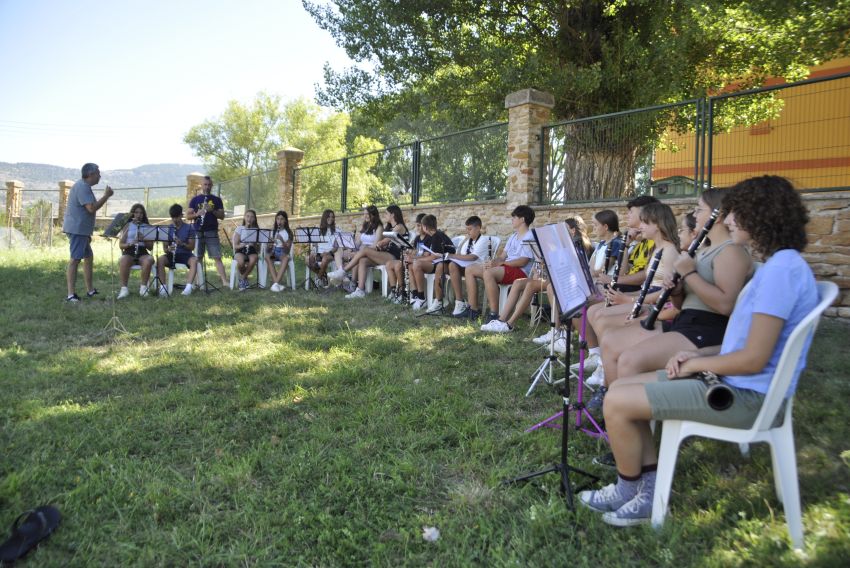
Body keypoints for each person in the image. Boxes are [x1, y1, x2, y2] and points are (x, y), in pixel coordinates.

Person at [579, 175, 818, 527]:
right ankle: (643, 488)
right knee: (619, 388)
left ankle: (631, 489)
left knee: (617, 400)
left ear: (762, 215)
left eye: (737, 212)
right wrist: (700, 357)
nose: (729, 219)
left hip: (746, 396)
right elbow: (746, 344)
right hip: (729, 379)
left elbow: (754, 358)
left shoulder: (782, 272)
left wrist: (696, 365)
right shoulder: (781, 266)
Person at [465, 205, 535, 322]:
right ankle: (473, 310)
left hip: (521, 272)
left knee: (488, 273)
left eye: (514, 217)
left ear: (522, 219)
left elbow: (523, 261)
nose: (512, 220)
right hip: (506, 268)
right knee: (470, 269)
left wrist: (500, 264)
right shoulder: (513, 236)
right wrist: (492, 262)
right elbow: (502, 257)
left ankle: (494, 314)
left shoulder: (529, 236)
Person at [62, 163, 114, 302]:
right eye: (98, 173)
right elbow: (91, 208)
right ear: (90, 174)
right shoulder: (82, 187)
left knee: (88, 257)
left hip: (82, 230)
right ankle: (71, 295)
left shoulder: (84, 186)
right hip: (77, 229)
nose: (100, 175)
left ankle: (90, 290)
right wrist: (106, 196)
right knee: (75, 259)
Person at [442, 216, 491, 316]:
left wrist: (452, 255)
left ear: (478, 228)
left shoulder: (483, 240)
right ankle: (459, 302)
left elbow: (472, 257)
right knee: (451, 265)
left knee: (456, 263)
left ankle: (473, 308)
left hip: (478, 267)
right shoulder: (467, 241)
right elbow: (463, 256)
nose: (468, 232)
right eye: (467, 229)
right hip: (467, 267)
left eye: (470, 229)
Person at [186, 176, 228, 288]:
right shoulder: (195, 200)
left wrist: (212, 210)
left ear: (212, 185)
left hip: (211, 231)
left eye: (209, 185)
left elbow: (222, 216)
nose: (207, 187)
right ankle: (198, 282)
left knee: (217, 257)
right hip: (198, 231)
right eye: (205, 184)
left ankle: (224, 282)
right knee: (198, 257)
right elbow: (188, 216)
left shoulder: (216, 200)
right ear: (201, 185)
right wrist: (197, 214)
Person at [411, 214, 456, 311]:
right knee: (415, 264)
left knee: (417, 263)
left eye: (421, 226)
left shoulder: (436, 236)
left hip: (447, 263)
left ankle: (438, 300)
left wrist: (417, 260)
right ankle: (419, 296)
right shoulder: (435, 235)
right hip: (439, 261)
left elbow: (434, 257)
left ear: (425, 227)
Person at [155, 204, 199, 297]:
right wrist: (168, 249)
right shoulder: (168, 229)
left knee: (194, 260)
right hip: (172, 254)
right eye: (172, 217)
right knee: (160, 260)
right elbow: (165, 249)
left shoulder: (189, 228)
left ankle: (188, 288)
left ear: (181, 215)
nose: (174, 220)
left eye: (176, 217)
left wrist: (181, 243)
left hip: (185, 254)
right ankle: (163, 287)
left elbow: (191, 247)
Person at [117, 203, 155, 299]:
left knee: (149, 260)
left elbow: (150, 247)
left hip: (142, 251)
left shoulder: (147, 227)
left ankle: (143, 288)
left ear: (144, 215)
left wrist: (144, 239)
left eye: (141, 213)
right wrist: (130, 243)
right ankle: (124, 289)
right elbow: (121, 245)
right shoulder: (127, 226)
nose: (139, 215)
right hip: (129, 250)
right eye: (136, 212)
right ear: (133, 214)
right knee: (123, 260)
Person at [387, 213, 426, 303]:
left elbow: (423, 254)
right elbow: (414, 250)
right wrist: (409, 252)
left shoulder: (428, 238)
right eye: (417, 226)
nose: (417, 228)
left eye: (419, 226)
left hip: (419, 262)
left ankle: (403, 293)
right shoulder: (416, 239)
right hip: (413, 260)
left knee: (399, 266)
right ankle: (394, 291)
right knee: (389, 264)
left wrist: (413, 255)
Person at [264, 210, 293, 292]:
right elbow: (267, 249)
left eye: (282, 219)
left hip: (283, 252)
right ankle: (277, 284)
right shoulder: (273, 231)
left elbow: (287, 250)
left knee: (286, 258)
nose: (279, 221)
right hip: (274, 251)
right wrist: (269, 245)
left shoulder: (289, 232)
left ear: (285, 221)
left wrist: (282, 240)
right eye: (278, 219)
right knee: (267, 257)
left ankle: (275, 283)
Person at [232, 209, 261, 291]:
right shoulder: (239, 228)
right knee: (240, 262)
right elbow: (235, 246)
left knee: (253, 259)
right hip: (240, 250)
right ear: (244, 217)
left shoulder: (256, 230)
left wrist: (255, 244)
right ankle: (244, 279)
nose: (249, 219)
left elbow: (257, 248)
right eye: (247, 216)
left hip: (251, 250)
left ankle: (242, 278)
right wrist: (243, 245)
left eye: (252, 217)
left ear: (254, 219)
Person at [308, 209, 337, 286]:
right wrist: (313, 252)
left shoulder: (336, 231)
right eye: (329, 216)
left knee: (325, 259)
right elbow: (315, 245)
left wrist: (328, 252)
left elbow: (336, 247)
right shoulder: (318, 231)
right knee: (307, 259)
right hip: (319, 253)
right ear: (324, 218)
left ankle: (319, 278)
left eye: (332, 217)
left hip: (330, 254)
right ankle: (323, 276)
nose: (331, 218)